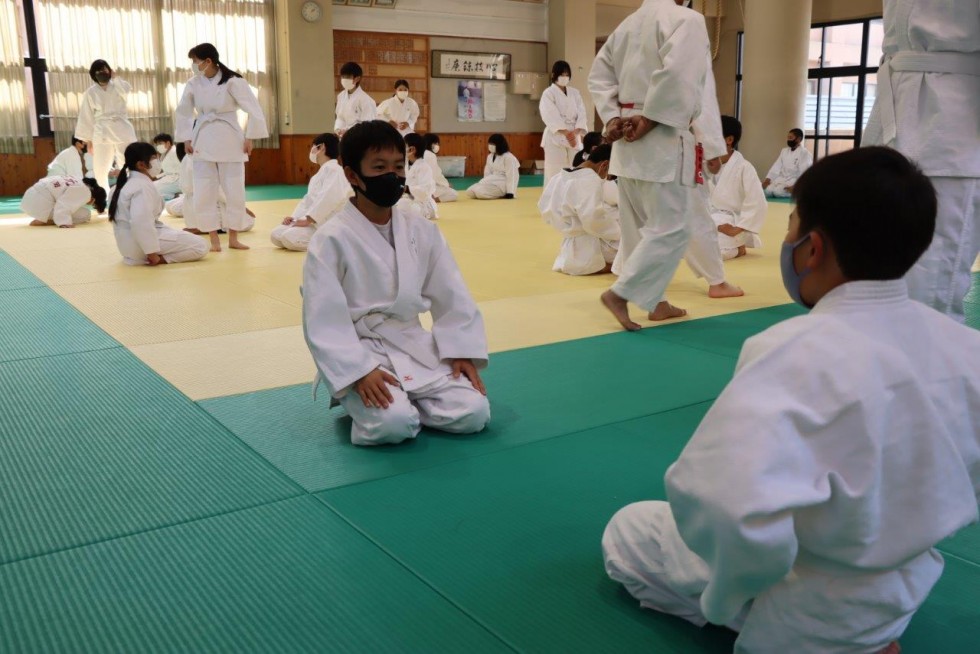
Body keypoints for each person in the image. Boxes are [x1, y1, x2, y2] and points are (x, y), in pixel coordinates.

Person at [602, 146, 980, 653]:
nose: (787, 243)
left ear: (812, 249)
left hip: (804, 608)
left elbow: (721, 502)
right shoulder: (967, 347)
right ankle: (870, 632)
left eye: (790, 229)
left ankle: (772, 620)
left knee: (627, 532)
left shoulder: (787, 351)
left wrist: (728, 591)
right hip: (900, 587)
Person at [302, 120, 491, 447]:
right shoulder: (330, 240)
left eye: (398, 167)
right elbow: (323, 318)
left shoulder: (421, 230)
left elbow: (452, 293)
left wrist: (461, 349)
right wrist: (356, 370)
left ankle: (409, 395)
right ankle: (383, 399)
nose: (393, 176)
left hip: (413, 343)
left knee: (473, 413)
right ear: (352, 175)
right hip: (362, 350)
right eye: (379, 167)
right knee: (393, 425)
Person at [588, 0, 727, 330]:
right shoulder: (687, 20)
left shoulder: (626, 26)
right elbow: (685, 80)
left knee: (639, 230)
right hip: (662, 138)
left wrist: (611, 118)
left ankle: (657, 301)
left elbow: (599, 75)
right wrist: (652, 121)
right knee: (674, 227)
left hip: (625, 143)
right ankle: (622, 293)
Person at [863, 0, 979, 324]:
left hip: (954, 113)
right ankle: (881, 364)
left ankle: (931, 369)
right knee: (869, 259)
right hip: (893, 99)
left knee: (931, 278)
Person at [176, 43, 269, 252]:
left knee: (234, 188)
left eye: (195, 61)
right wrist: (186, 138)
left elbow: (253, 108)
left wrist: (250, 137)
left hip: (229, 136)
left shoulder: (233, 81)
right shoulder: (193, 83)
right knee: (204, 188)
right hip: (203, 136)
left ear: (208, 61)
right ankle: (213, 240)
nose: (193, 65)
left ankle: (233, 237)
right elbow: (183, 112)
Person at [108, 142, 209, 266]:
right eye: (153, 158)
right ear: (141, 164)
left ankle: (151, 253)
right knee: (201, 245)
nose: (157, 161)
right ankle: (159, 258)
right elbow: (140, 221)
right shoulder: (141, 186)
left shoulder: (120, 186)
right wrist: (152, 253)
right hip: (141, 246)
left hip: (126, 245)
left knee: (179, 233)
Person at [539, 143, 620, 275]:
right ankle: (604, 264)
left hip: (570, 240)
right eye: (610, 174)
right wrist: (618, 232)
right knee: (634, 251)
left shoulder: (559, 176)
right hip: (592, 242)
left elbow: (544, 206)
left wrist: (570, 226)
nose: (608, 178)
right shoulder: (590, 180)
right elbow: (593, 219)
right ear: (604, 164)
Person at [270, 133, 351, 251]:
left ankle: (333, 243)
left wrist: (309, 220)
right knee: (276, 235)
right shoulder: (319, 175)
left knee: (288, 238)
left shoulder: (335, 170)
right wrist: (294, 218)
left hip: (326, 222)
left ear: (322, 147)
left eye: (313, 146)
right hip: (313, 221)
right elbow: (307, 201)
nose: (311, 150)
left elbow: (328, 199)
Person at [706, 115, 768, 260]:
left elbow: (757, 202)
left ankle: (738, 247)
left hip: (732, 222)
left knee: (714, 254)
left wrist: (737, 229)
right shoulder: (705, 165)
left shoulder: (744, 168)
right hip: (708, 219)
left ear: (729, 140)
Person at [74, 59, 137, 193]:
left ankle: (129, 192)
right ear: (93, 74)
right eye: (98, 71)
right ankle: (103, 196)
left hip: (122, 127)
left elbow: (127, 90)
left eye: (104, 70)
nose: (102, 73)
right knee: (100, 167)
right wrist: (89, 141)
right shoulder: (90, 92)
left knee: (127, 162)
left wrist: (115, 77)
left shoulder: (119, 85)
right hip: (101, 131)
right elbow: (87, 116)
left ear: (109, 71)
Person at [164, 143, 256, 235]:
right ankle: (208, 227)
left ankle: (199, 225)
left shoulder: (187, 158)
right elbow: (218, 191)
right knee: (250, 222)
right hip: (204, 203)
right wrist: (241, 207)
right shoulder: (205, 159)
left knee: (172, 206)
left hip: (191, 205)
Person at [539, 60, 589, 183]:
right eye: (562, 74)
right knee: (554, 171)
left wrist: (576, 132)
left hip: (574, 134)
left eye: (567, 74)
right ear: (554, 75)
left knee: (575, 168)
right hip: (556, 135)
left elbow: (582, 113)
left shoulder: (575, 93)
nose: (564, 77)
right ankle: (553, 200)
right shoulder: (548, 93)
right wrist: (566, 133)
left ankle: (572, 199)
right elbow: (550, 114)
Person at [21, 175, 106, 228]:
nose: (89, 204)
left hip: (31, 196)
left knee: (75, 208)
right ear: (93, 199)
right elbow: (64, 205)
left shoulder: (79, 180)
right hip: (40, 203)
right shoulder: (85, 192)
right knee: (86, 214)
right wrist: (64, 223)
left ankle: (45, 217)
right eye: (93, 204)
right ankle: (46, 220)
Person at [466, 134, 520, 200]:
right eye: (490, 143)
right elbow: (487, 171)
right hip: (491, 181)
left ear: (499, 145)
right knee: (470, 191)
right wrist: (485, 182)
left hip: (502, 184)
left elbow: (512, 176)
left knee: (480, 193)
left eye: (493, 144)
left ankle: (503, 193)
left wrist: (510, 192)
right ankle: (487, 190)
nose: (490, 146)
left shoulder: (509, 157)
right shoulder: (490, 156)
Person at [398, 133, 438, 221]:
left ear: (411, 149)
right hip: (409, 200)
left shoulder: (424, 167)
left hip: (423, 204)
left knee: (402, 207)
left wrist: (407, 189)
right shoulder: (405, 165)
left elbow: (425, 191)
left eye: (404, 146)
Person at [763, 128, 812, 198]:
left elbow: (805, 172)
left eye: (791, 138)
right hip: (782, 178)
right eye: (788, 138)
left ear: (798, 139)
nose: (788, 140)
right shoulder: (784, 151)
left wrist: (796, 186)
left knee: (778, 192)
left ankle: (796, 191)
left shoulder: (804, 153)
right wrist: (767, 180)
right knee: (768, 191)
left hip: (794, 180)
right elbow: (776, 166)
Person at [335, 62, 377, 138]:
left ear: (357, 78)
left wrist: (349, 131)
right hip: (344, 138)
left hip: (359, 139)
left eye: (347, 77)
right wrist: (338, 129)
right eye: (343, 76)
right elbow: (340, 117)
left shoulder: (366, 100)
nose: (344, 79)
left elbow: (368, 125)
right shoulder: (341, 96)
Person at [421, 133, 458, 203]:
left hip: (416, 186)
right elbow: (436, 175)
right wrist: (446, 184)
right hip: (426, 187)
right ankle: (432, 199)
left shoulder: (420, 153)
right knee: (454, 194)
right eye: (436, 143)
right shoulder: (430, 155)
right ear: (430, 143)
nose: (437, 145)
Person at [151, 133, 181, 200]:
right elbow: (169, 171)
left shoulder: (175, 152)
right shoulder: (164, 154)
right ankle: (173, 195)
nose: (158, 146)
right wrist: (156, 177)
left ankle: (174, 196)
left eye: (160, 143)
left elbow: (180, 169)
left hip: (178, 180)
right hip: (170, 178)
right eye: (157, 144)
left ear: (168, 143)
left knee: (154, 190)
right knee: (151, 186)